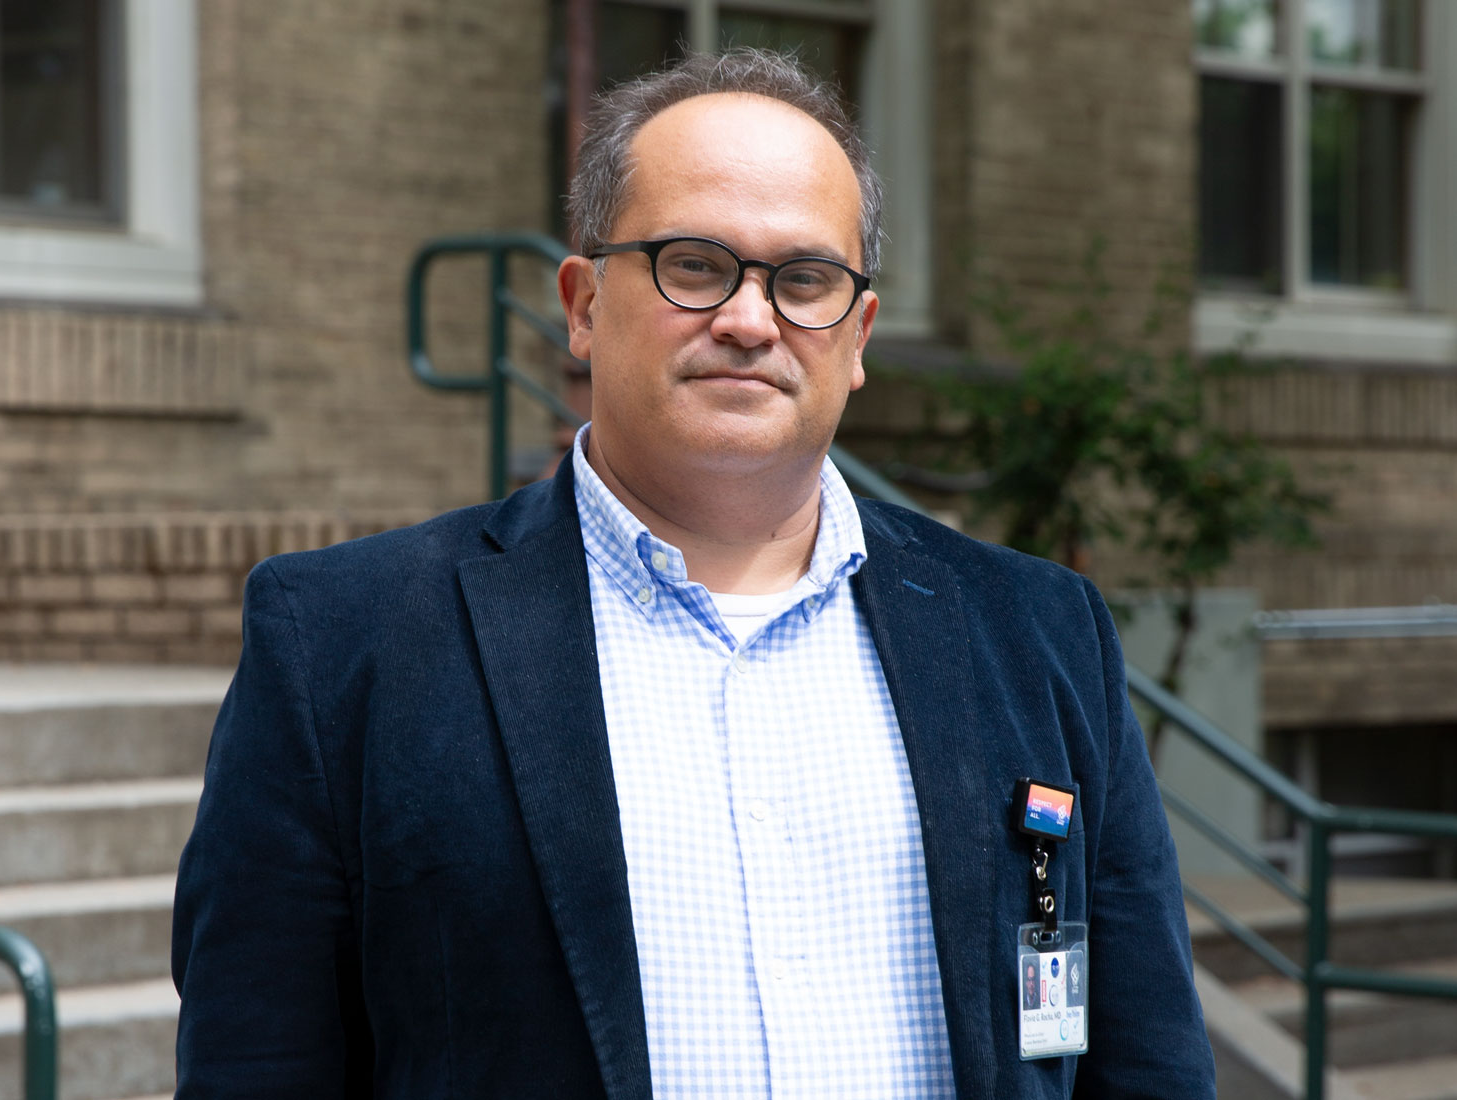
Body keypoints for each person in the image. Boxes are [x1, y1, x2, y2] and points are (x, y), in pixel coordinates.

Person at [172, 48, 1215, 1099]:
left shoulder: (1038, 630)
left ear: (858, 334)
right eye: (695, 264)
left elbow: (1147, 1060)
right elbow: (256, 1063)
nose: (751, 321)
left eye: (805, 279)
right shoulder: (342, 641)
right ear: (582, 305)